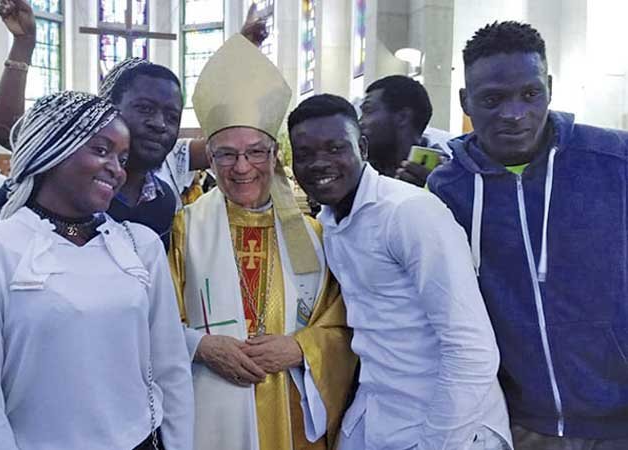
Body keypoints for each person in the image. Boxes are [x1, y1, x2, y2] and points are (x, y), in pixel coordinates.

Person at [0, 91, 193, 450]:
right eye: (101, 150)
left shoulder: (140, 246)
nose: (117, 170)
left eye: (122, 158)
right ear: (52, 148)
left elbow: (171, 368)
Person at [426, 21, 628, 450]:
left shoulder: (615, 161)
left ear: (549, 87)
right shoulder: (446, 190)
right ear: (466, 101)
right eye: (493, 99)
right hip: (522, 424)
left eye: (530, 94)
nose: (514, 114)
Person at [289, 94, 512, 450]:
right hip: (379, 416)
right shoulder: (328, 224)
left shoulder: (408, 213)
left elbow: (472, 349)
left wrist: (438, 441)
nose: (320, 163)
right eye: (305, 154)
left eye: (334, 148)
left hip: (448, 424)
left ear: (361, 147)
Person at [169, 35, 357, 450]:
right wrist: (200, 346)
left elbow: (346, 325)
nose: (241, 168)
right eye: (226, 155)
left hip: (292, 412)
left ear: (275, 156)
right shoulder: (183, 228)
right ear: (210, 158)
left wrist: (300, 349)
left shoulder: (315, 235)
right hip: (211, 414)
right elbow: (155, 322)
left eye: (255, 152)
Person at [0, 0, 268, 223]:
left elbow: (232, 139)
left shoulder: (170, 167)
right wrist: (23, 44)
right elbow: (6, 129)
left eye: (172, 116)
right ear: (110, 108)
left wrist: (243, 56)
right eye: (145, 109)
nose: (160, 125)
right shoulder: (72, 157)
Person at [359, 75, 450, 186]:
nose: (360, 123)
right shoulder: (361, 174)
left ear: (402, 117)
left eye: (368, 110)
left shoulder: (448, 179)